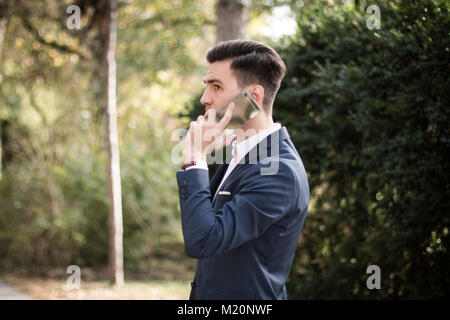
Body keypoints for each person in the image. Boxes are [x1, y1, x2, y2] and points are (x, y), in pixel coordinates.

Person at [176, 39, 309, 300]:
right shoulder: (242, 153)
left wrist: (195, 160)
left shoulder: (279, 170)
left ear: (254, 97)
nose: (205, 98)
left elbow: (203, 240)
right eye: (207, 86)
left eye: (217, 87)